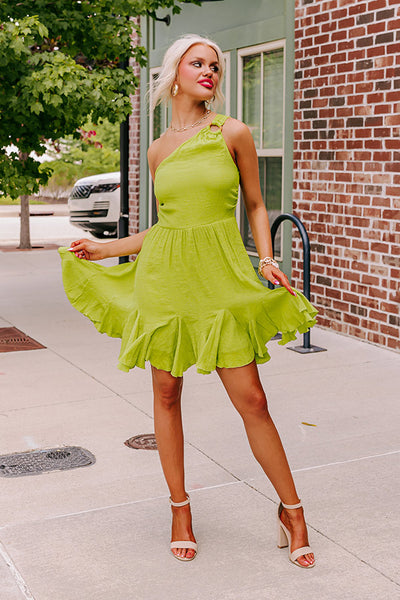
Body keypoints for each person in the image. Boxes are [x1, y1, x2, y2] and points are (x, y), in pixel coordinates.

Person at [59, 34, 317, 568]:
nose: (210, 73)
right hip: (167, 282)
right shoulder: (157, 150)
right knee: (168, 392)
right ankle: (180, 509)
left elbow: (256, 203)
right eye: (199, 64)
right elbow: (163, 229)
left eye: (216, 67)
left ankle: (292, 510)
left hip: (220, 276)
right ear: (175, 73)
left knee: (252, 400)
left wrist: (268, 260)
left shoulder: (233, 133)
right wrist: (105, 248)